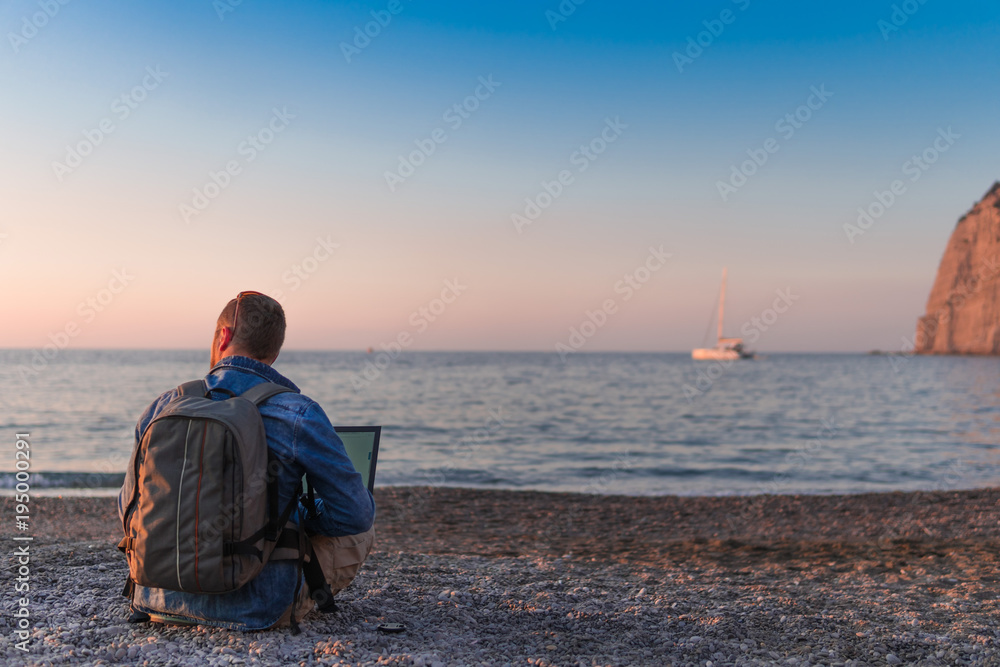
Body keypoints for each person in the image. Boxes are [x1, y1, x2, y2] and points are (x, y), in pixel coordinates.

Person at [117, 291, 375, 630]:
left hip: (156, 598)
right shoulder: (299, 414)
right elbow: (354, 515)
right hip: (257, 608)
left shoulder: (162, 406)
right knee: (363, 526)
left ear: (224, 336)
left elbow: (127, 508)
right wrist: (295, 520)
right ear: (275, 350)